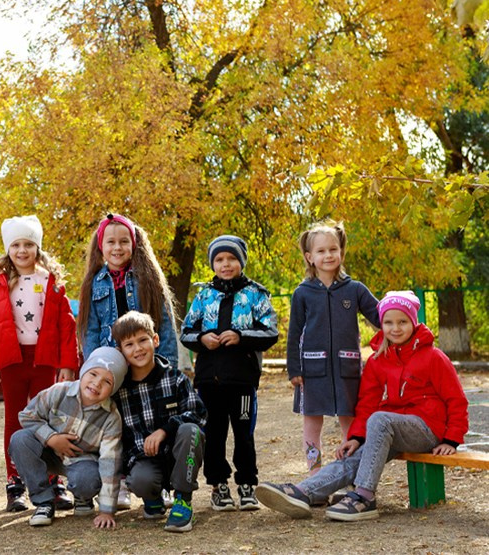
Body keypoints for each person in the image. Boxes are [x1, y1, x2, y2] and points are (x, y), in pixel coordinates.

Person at [259, 291, 468, 521]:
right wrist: (356, 438)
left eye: (402, 322)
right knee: (356, 454)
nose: (395, 328)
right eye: (388, 322)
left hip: (427, 429)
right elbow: (367, 403)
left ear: (413, 322)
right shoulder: (379, 359)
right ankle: (304, 492)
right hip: (392, 428)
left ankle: (364, 496)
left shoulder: (433, 357)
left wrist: (451, 440)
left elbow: (456, 400)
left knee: (380, 418)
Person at [0, 214, 79, 513]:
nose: (22, 250)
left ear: (38, 248)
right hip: (12, 362)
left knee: (48, 419)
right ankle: (15, 482)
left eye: (29, 244)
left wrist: (67, 366)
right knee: (14, 420)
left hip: (44, 361)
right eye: (16, 245)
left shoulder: (52, 284)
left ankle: (53, 480)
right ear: (8, 249)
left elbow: (66, 326)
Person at [179, 233, 279, 511]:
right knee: (214, 433)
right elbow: (186, 331)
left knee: (244, 434)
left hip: (243, 380)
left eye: (232, 258)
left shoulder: (256, 294)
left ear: (241, 261)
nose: (226, 264)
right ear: (213, 263)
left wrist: (241, 336)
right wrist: (202, 339)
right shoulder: (203, 296)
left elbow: (271, 332)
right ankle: (218, 485)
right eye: (220, 259)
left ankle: (247, 484)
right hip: (209, 381)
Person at [285, 220, 381, 470]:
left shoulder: (356, 290)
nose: (328, 255)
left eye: (333, 249)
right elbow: (294, 334)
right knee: (311, 423)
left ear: (341, 252)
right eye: (321, 251)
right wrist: (294, 369)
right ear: (309, 257)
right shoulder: (302, 293)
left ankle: (348, 473)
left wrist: (402, 321)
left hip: (347, 368)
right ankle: (315, 474)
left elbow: (382, 317)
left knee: (350, 422)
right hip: (311, 371)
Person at [10, 347, 127, 528]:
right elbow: (27, 416)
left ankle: (83, 496)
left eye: (107, 382)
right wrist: (51, 438)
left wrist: (106, 510)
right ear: (84, 371)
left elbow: (110, 462)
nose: (96, 383)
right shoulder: (58, 392)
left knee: (87, 480)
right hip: (47, 452)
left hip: (82, 461)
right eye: (93, 374)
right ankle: (44, 502)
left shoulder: (111, 418)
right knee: (20, 439)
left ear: (114, 389)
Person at [112, 310, 206, 532]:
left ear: (155, 340)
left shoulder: (175, 378)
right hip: (145, 460)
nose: (138, 349)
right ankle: (152, 497)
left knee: (191, 430)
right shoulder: (119, 390)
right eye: (129, 344)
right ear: (121, 352)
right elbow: (120, 435)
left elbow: (198, 414)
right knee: (140, 480)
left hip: (178, 457)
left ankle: (183, 500)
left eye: (143, 340)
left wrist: (164, 430)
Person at [75, 214, 180, 360]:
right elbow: (90, 331)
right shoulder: (94, 283)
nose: (117, 247)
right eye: (111, 242)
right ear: (101, 246)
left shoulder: (149, 279)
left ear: (133, 244)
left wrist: (169, 365)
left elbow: (165, 325)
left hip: (145, 360)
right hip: (110, 361)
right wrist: (95, 364)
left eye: (124, 241)